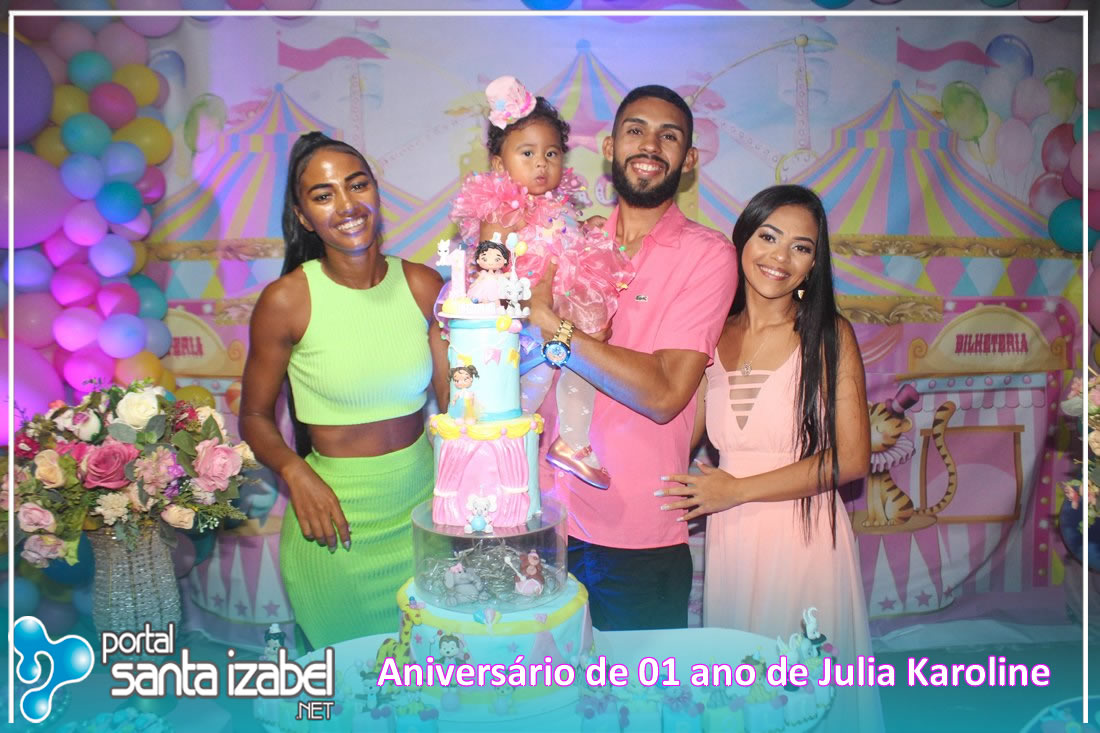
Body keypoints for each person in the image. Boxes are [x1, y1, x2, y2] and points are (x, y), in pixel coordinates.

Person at [657, 185, 884, 732]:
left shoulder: (829, 335)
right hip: (733, 540)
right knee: (744, 692)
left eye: (801, 247)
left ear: (814, 264)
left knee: (807, 695)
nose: (780, 257)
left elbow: (852, 459)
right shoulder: (710, 334)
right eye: (768, 237)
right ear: (742, 241)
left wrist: (735, 489)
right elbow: (679, 434)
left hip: (805, 539)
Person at [525, 85, 738, 630]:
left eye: (669, 136)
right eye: (636, 130)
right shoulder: (573, 241)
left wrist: (557, 329)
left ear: (688, 159)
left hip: (636, 533)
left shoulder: (707, 255)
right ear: (610, 147)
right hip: (546, 519)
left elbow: (665, 393)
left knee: (640, 685)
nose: (650, 145)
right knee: (541, 681)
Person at [240, 131, 449, 648]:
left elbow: (459, 407)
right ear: (304, 216)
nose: (347, 204)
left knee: (436, 677)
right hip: (334, 528)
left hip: (425, 518)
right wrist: (294, 472)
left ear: (376, 192)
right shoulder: (286, 301)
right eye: (323, 194)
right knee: (352, 687)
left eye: (357, 185)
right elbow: (255, 417)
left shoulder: (424, 286)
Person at [450, 75, 634, 490]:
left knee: (581, 365)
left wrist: (587, 229)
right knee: (526, 385)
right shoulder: (502, 209)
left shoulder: (559, 204)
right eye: (528, 153)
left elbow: (564, 242)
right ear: (500, 165)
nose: (541, 163)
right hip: (524, 317)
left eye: (551, 153)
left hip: (564, 310)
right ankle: (498, 441)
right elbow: (490, 267)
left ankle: (573, 440)